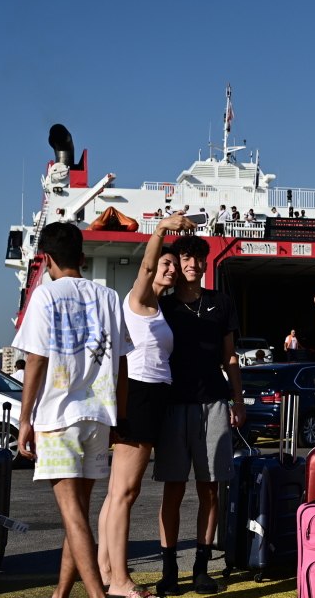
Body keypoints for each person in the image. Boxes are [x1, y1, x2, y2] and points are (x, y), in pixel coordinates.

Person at [13, 222, 132, 598]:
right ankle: (60, 594)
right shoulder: (110, 296)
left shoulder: (46, 296)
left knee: (73, 515)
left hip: (58, 415)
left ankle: (97, 595)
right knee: (78, 512)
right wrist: (119, 417)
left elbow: (35, 360)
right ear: (82, 257)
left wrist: (24, 419)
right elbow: (123, 363)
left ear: (46, 258)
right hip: (99, 414)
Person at [97, 213, 194, 598]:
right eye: (166, 263)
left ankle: (106, 569)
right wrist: (159, 231)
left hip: (154, 396)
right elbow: (147, 265)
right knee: (125, 491)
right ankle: (119, 580)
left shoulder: (157, 307)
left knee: (119, 491)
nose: (170, 268)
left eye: (174, 264)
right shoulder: (138, 298)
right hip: (139, 393)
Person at [154, 235, 246, 595]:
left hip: (214, 404)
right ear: (177, 261)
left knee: (210, 490)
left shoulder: (220, 302)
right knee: (173, 491)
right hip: (173, 404)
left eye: (198, 258)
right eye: (186, 257)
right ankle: (169, 571)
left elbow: (230, 356)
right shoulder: (163, 305)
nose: (192, 263)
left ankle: (201, 569)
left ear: (206, 262)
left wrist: (238, 399)